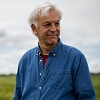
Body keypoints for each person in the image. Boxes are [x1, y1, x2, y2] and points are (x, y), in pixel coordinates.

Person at [13, 2, 95, 100]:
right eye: (47, 24)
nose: (54, 29)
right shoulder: (25, 59)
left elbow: (86, 98)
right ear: (34, 29)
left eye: (57, 24)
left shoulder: (75, 58)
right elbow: (18, 97)